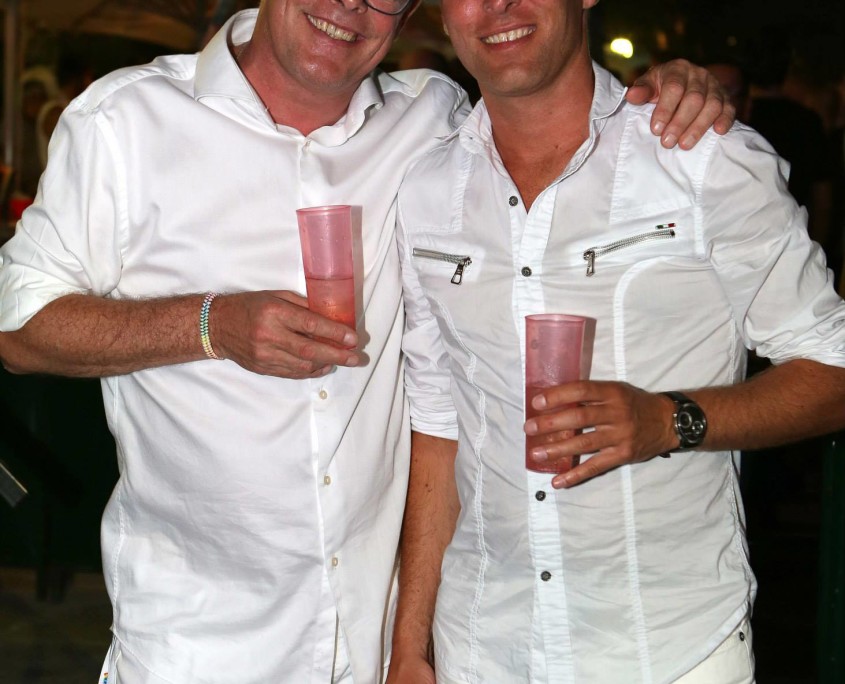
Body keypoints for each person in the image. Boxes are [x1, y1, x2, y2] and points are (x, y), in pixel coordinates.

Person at [0, 1, 733, 682]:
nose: (350, 5)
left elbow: (558, 110)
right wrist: (210, 325)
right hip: (195, 646)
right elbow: (16, 327)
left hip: (374, 646)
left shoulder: (434, 120)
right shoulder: (125, 122)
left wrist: (666, 90)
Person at [388, 1, 845, 683]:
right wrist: (410, 646)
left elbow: (833, 370)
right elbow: (437, 422)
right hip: (480, 647)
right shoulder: (425, 189)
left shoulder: (701, 158)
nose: (498, 6)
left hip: (668, 650)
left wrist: (668, 420)